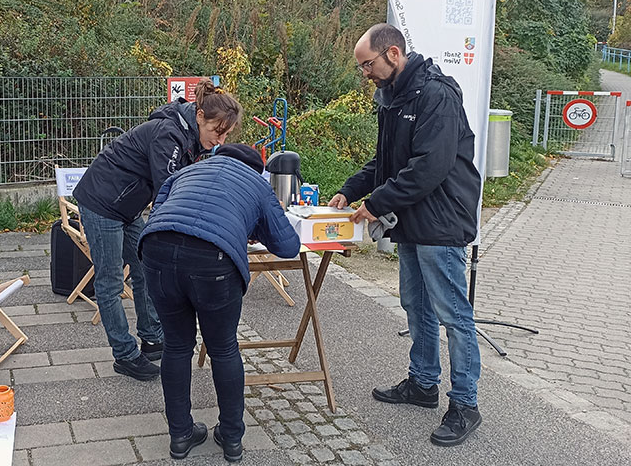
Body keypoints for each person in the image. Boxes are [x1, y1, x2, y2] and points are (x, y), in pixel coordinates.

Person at [329, 23, 483, 447]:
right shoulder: (393, 98)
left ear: (393, 54)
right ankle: (422, 383)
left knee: (453, 313)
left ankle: (465, 404)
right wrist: (349, 189)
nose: (365, 74)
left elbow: (428, 168)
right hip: (413, 220)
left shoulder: (437, 94)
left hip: (442, 221)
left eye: (368, 65)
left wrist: (376, 204)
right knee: (415, 304)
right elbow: (386, 161)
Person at [139, 143, 301, 461]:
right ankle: (231, 438)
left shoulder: (185, 172)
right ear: (259, 170)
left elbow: (159, 210)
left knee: (176, 346)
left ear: (215, 157)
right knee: (223, 348)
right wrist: (250, 225)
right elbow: (287, 246)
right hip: (213, 261)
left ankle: (180, 436)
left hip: (156, 249)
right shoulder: (257, 183)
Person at [73, 80, 242, 382]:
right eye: (218, 131)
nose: (220, 140)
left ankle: (151, 336)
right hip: (101, 201)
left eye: (226, 135)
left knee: (145, 269)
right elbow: (171, 188)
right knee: (110, 281)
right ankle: (124, 354)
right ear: (200, 116)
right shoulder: (169, 134)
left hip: (127, 205)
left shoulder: (189, 135)